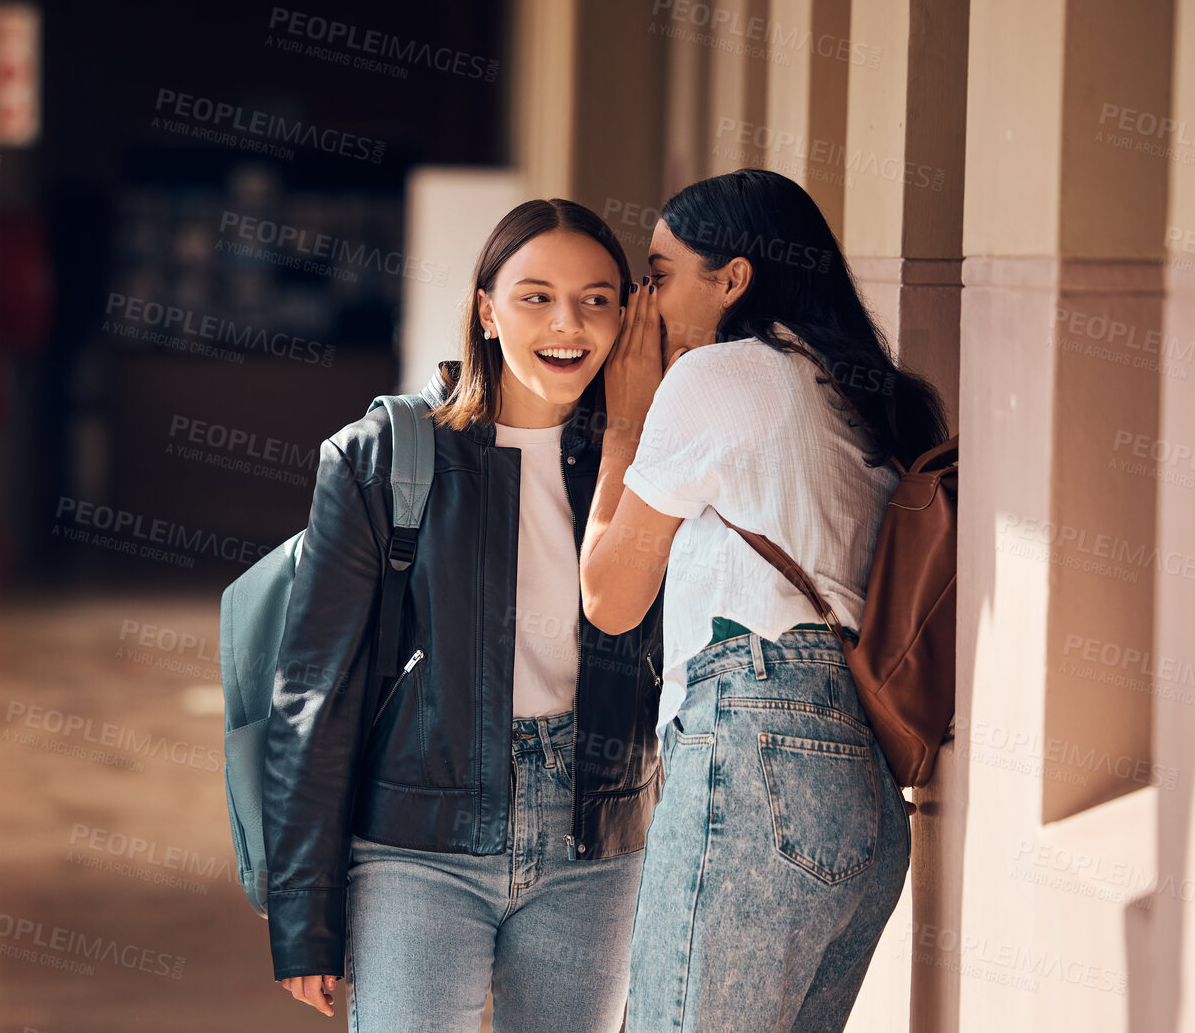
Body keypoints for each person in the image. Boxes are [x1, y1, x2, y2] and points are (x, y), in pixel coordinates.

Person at [264, 199, 665, 1031]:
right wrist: (305, 912)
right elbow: (315, 691)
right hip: (418, 842)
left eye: (597, 298)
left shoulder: (649, 460)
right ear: (486, 308)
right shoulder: (382, 456)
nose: (568, 324)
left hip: (597, 844)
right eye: (535, 296)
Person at [579, 168, 949, 1032]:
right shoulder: (857, 394)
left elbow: (609, 597)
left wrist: (626, 422)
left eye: (662, 274)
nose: (646, 301)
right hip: (859, 786)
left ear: (734, 278)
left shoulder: (723, 377)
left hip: (754, 750)